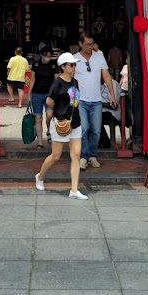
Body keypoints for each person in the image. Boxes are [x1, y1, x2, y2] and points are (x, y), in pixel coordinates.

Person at [35, 52, 87, 199]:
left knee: (76, 155)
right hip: (61, 123)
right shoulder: (57, 83)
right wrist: (59, 113)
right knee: (56, 156)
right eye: (71, 65)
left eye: (74, 64)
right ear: (63, 67)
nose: (74, 67)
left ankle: (74, 190)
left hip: (75, 123)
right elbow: (50, 102)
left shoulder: (75, 82)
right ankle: (40, 176)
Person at [74, 32, 116, 169]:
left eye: (91, 44)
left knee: (96, 130)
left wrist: (112, 94)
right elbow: (68, 79)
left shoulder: (99, 58)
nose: (90, 47)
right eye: (87, 44)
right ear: (80, 44)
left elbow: (107, 77)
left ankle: (92, 155)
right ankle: (83, 156)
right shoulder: (74, 59)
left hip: (96, 100)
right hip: (80, 101)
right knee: (84, 128)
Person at [28, 44, 58, 149]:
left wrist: (56, 94)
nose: (48, 58)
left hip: (49, 94)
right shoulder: (36, 64)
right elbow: (32, 79)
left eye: (50, 56)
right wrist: (29, 93)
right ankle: (40, 143)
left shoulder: (54, 65)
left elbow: (56, 80)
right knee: (38, 117)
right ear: (41, 55)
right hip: (37, 93)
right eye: (46, 56)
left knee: (49, 115)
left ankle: (49, 131)